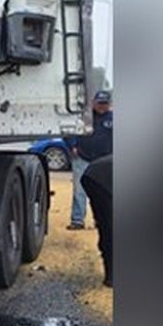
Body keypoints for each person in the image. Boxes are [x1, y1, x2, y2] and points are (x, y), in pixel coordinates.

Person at [68, 89, 113, 229]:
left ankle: (102, 221)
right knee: (79, 190)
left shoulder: (113, 118)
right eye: (99, 103)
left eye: (105, 103)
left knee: (103, 192)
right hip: (82, 157)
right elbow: (69, 131)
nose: (102, 106)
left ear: (109, 104)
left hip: (104, 161)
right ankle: (77, 220)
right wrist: (72, 145)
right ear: (93, 102)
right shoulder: (84, 117)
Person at [81, 154, 112, 286]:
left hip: (94, 174)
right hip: (100, 178)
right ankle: (111, 276)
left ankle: (111, 274)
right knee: (109, 228)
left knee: (106, 226)